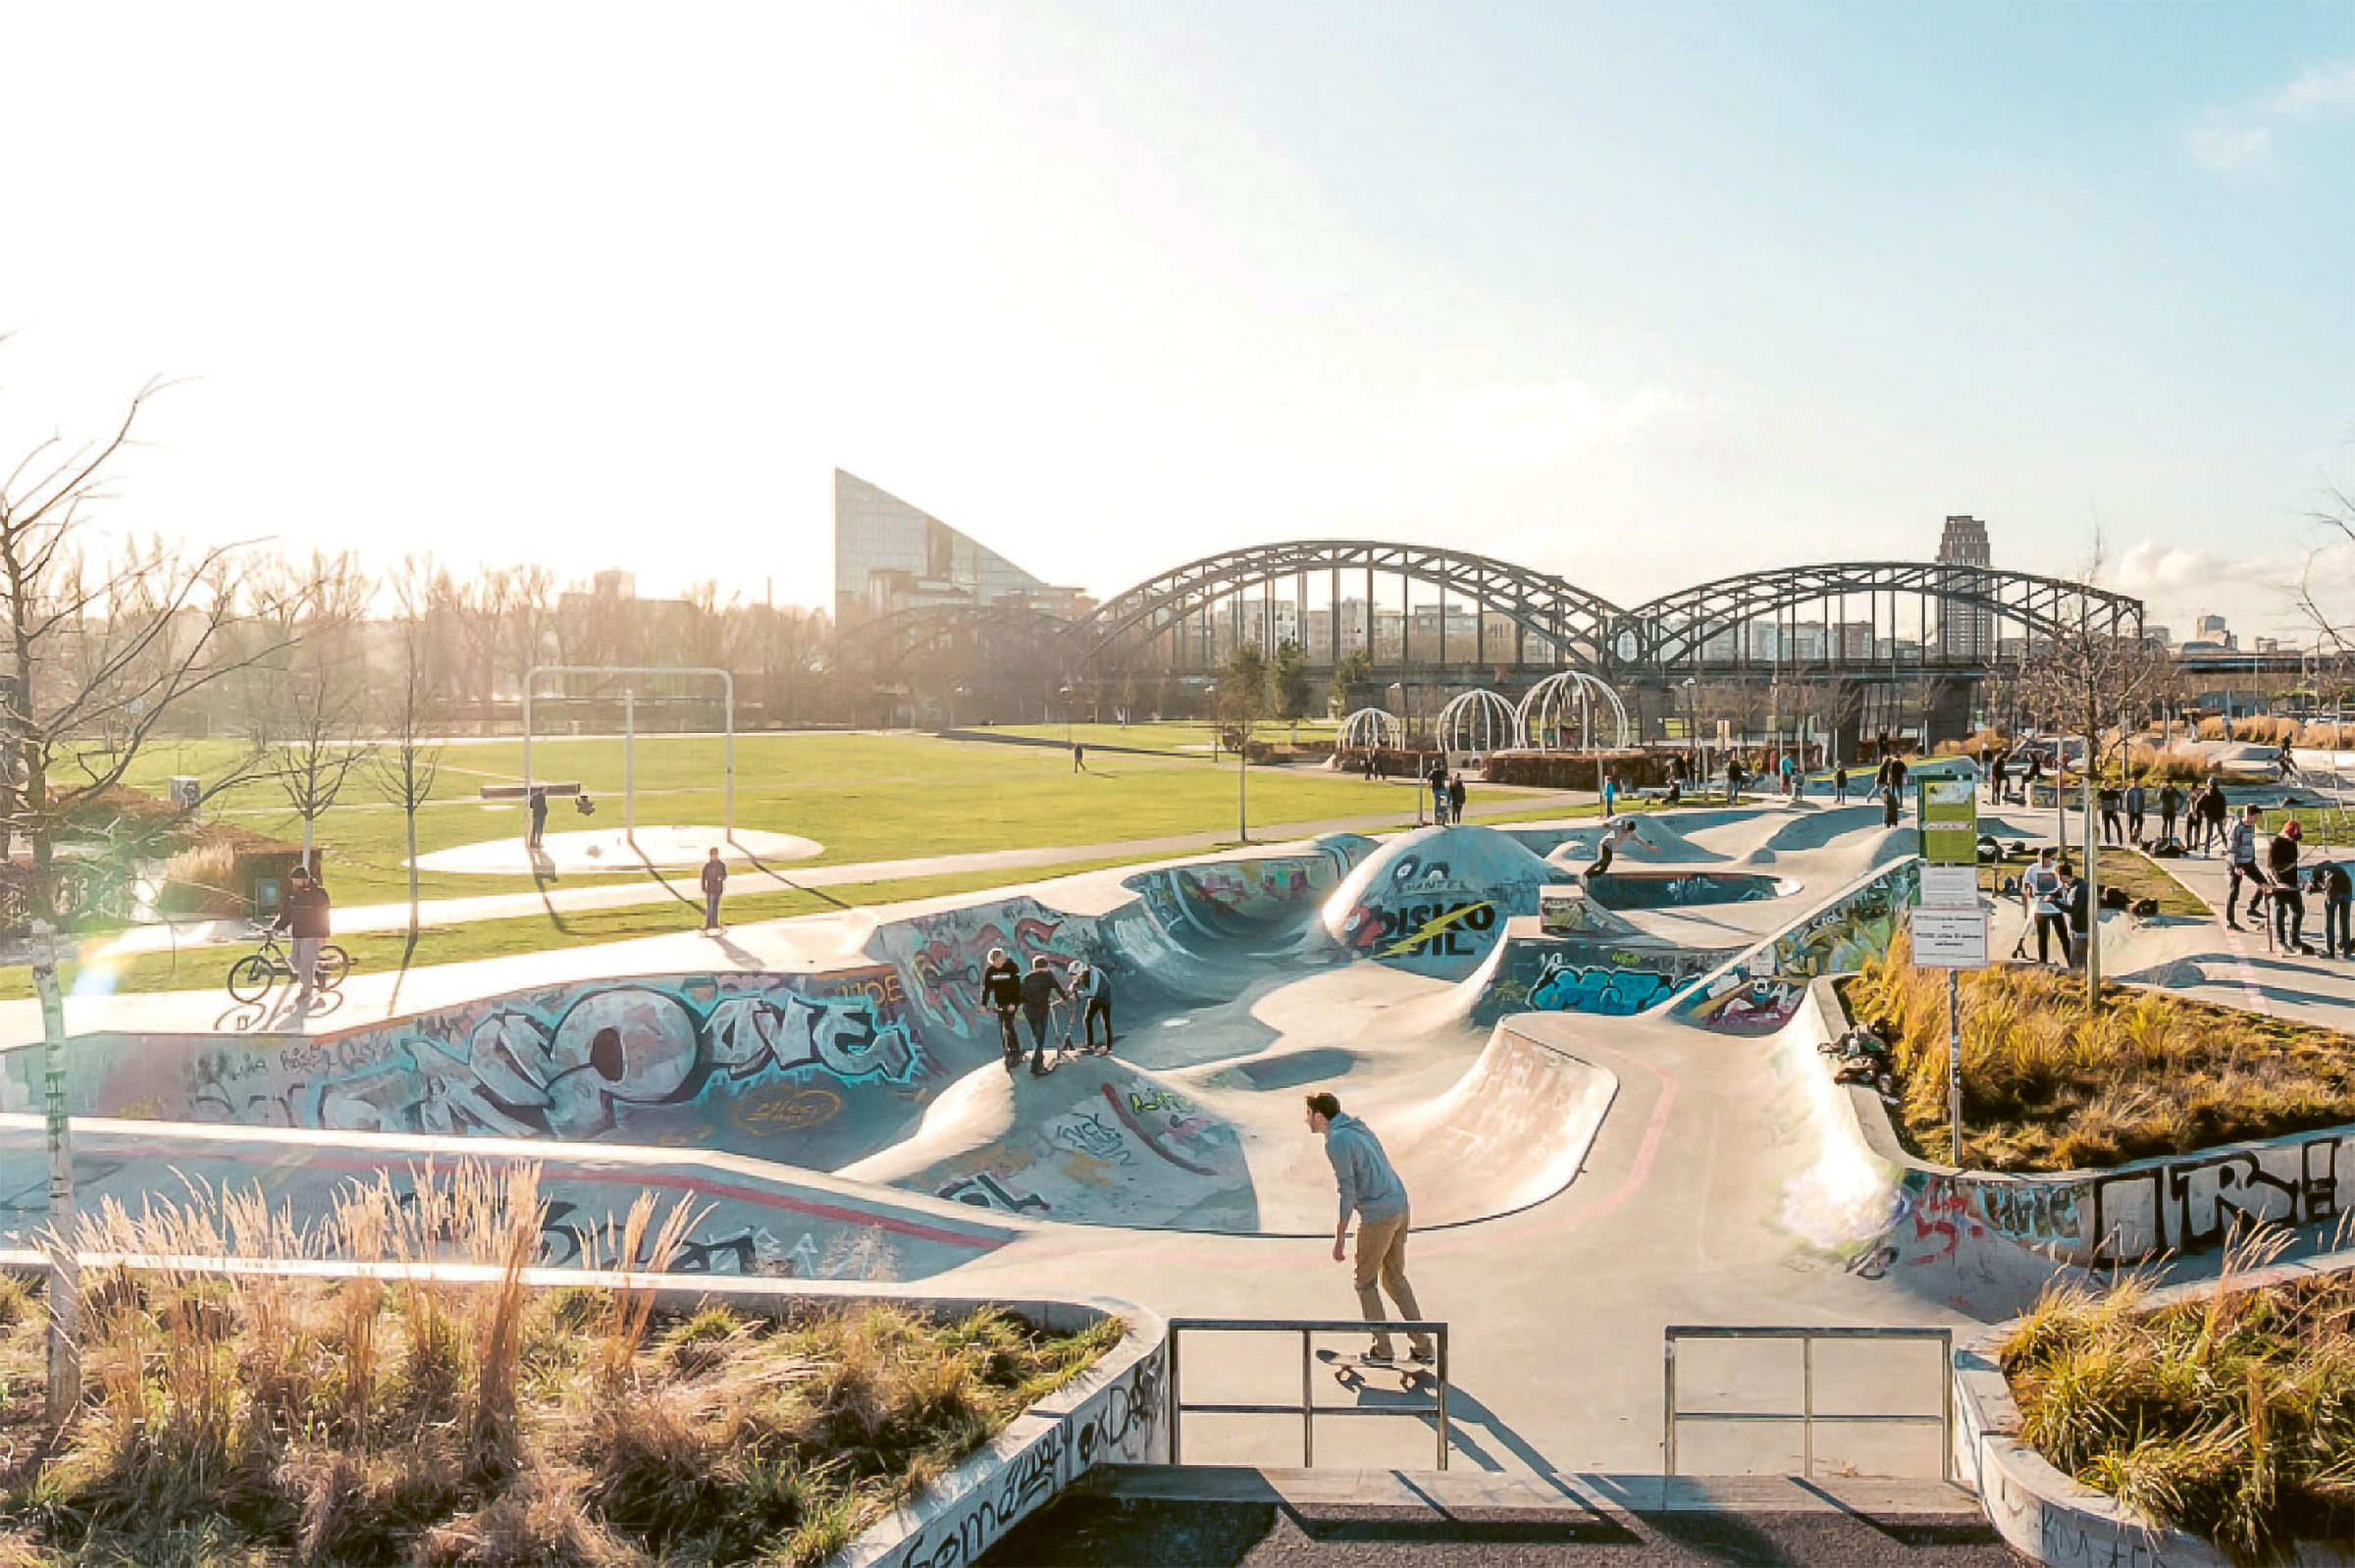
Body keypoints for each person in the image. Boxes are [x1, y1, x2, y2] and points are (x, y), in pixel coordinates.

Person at [1306, 1091, 1432, 1367]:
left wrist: (1339, 1238)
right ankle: (1423, 1345)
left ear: (1319, 1116)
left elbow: (1347, 1190)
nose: (1306, 1121)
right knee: (1394, 1277)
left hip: (1379, 1216)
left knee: (1365, 1282)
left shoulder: (1336, 1140)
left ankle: (1382, 1349)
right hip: (1400, 1205)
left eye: (1308, 1115)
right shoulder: (1358, 1126)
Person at [276, 862, 333, 1003]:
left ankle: (306, 991)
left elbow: (323, 915)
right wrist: (277, 927)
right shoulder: (294, 895)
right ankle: (319, 974)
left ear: (305, 879)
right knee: (295, 961)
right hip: (297, 933)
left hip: (312, 933)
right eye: (293, 881)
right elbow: (288, 914)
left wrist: (323, 935)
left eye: (296, 880)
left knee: (306, 963)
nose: (294, 883)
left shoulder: (318, 894)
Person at [1018, 956, 1070, 1074]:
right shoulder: (1048, 976)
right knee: (1039, 1037)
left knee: (1036, 1035)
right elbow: (1058, 988)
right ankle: (1036, 1065)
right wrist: (1065, 998)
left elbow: (1020, 995)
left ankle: (1038, 1058)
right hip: (1041, 1009)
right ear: (1045, 967)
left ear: (1034, 967)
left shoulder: (1027, 977)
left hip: (1029, 1009)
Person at [2268, 819, 2311, 954]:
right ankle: (2281, 939)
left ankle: (2295, 938)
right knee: (2281, 910)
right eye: (2292, 838)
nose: (2293, 842)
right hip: (2279, 882)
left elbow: (2294, 863)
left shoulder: (2293, 844)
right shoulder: (2276, 844)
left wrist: (2300, 878)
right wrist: (2277, 882)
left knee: (2299, 910)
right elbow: (2271, 867)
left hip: (2292, 882)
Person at [2020, 849, 2068, 966]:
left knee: (2063, 936)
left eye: (2045, 861)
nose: (2043, 864)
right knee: (2042, 938)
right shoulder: (2032, 869)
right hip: (2040, 908)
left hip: (2055, 907)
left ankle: (2071, 961)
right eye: (2040, 860)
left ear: (2050, 859)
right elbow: (2026, 886)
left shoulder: (2057, 868)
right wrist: (2028, 891)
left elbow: (2065, 884)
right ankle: (2043, 962)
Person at [979, 947, 1024, 1070]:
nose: (997, 965)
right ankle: (1008, 1051)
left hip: (1012, 1001)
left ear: (1002, 959)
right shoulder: (991, 971)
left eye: (999, 962)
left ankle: (1015, 1052)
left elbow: (1018, 987)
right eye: (995, 963)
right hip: (1000, 1003)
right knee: (1003, 1027)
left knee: (1008, 1025)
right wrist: (983, 1004)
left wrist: (1015, 1003)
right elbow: (987, 989)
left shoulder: (1012, 967)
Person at [2224, 805, 2266, 930]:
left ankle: (2252, 908)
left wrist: (2252, 859)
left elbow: (2250, 845)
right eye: (2255, 817)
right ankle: (2230, 921)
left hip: (2248, 861)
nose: (2256, 820)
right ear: (2249, 815)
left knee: (2264, 884)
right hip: (2236, 862)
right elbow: (2232, 848)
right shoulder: (2238, 827)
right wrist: (2236, 866)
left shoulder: (2251, 827)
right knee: (2234, 892)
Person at [2309, 859, 2353, 959]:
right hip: (2347, 888)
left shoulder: (2316, 871)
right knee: (2345, 920)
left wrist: (2310, 889)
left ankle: (2330, 951)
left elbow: (2313, 887)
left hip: (2334, 890)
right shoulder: (2336, 867)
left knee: (2330, 920)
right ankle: (2346, 949)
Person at [1072, 961, 1115, 1053]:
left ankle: (1109, 1047)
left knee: (1105, 1022)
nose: (1076, 977)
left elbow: (1093, 991)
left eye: (1076, 974)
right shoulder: (1084, 972)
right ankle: (1090, 1044)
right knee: (1087, 1019)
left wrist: (1080, 994)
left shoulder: (1093, 973)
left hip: (1104, 998)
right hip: (1095, 998)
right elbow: (1074, 985)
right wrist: (1073, 988)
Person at [2057, 860, 2090, 968]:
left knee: (2078, 960)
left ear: (2062, 876)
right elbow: (2059, 892)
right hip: (2074, 929)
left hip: (2081, 930)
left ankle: (2080, 980)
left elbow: (2073, 909)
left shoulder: (2079, 888)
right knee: (2075, 958)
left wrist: (2054, 903)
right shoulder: (2069, 887)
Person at [700, 847, 728, 933]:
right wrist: (703, 886)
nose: (713, 856)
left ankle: (714, 923)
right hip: (710, 888)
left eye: (715, 854)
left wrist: (722, 877)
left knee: (715, 906)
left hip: (718, 889)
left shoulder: (721, 865)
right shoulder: (707, 866)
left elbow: (725, 875)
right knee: (710, 907)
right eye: (712, 855)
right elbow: (703, 877)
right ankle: (708, 924)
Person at [2198, 779, 2229, 856]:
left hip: (2210, 815)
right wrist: (2224, 815)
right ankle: (2226, 846)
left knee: (2209, 833)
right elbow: (2224, 805)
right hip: (2219, 815)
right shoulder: (2220, 795)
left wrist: (2201, 811)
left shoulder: (2207, 794)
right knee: (2221, 831)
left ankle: (2207, 849)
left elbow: (2199, 804)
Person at [2159, 782, 2185, 846]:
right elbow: (2160, 798)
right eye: (2167, 785)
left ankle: (2170, 841)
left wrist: (2178, 808)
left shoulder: (2174, 791)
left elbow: (2182, 798)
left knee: (2171, 826)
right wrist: (2163, 790)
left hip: (2172, 810)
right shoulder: (2164, 791)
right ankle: (2164, 839)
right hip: (2165, 810)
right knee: (2165, 824)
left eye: (2169, 784)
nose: (2168, 786)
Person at [2098, 781, 2123, 847]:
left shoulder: (2114, 792)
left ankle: (2120, 840)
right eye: (2106, 785)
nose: (2108, 786)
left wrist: (2118, 808)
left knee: (2118, 825)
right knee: (2106, 826)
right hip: (2105, 811)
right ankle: (2108, 841)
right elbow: (2096, 798)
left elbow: (2120, 798)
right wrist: (2099, 806)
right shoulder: (2101, 792)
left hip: (2113, 811)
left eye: (2109, 784)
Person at [1427, 759, 1450, 825]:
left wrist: (1429, 785)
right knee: (1448, 796)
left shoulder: (1432, 773)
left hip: (1435, 790)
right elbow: (1448, 777)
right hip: (1442, 789)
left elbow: (1429, 779)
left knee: (1437, 802)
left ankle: (1437, 815)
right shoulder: (1442, 772)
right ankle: (1447, 808)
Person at [526, 784, 550, 849]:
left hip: (535, 814)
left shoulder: (534, 796)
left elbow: (531, 806)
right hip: (541, 815)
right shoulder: (542, 796)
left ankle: (532, 842)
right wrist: (545, 811)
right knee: (540, 829)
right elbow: (543, 805)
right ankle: (538, 842)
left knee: (534, 829)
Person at [2125, 777, 2146, 845]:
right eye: (2133, 782)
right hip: (2132, 810)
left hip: (2139, 810)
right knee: (2131, 824)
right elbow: (2127, 801)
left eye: (2136, 782)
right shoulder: (2129, 791)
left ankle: (2139, 836)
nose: (2135, 784)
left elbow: (2143, 801)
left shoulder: (2141, 791)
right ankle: (2131, 836)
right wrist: (2128, 810)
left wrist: (2143, 809)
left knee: (2140, 823)